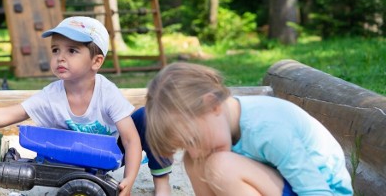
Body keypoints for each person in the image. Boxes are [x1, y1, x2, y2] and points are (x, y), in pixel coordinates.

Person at [0, 16, 142, 195]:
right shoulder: (51, 95)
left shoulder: (107, 93)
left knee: (144, 118)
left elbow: (131, 140)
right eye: (56, 50)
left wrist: (129, 179)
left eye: (72, 51)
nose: (60, 57)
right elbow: (9, 114)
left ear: (96, 61)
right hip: (69, 161)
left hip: (107, 155)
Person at [144, 62, 353, 196]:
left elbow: (315, 190)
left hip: (323, 191)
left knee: (221, 166)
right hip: (283, 185)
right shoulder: (221, 125)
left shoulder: (268, 128)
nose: (196, 151)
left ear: (213, 105)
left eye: (193, 140)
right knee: (194, 162)